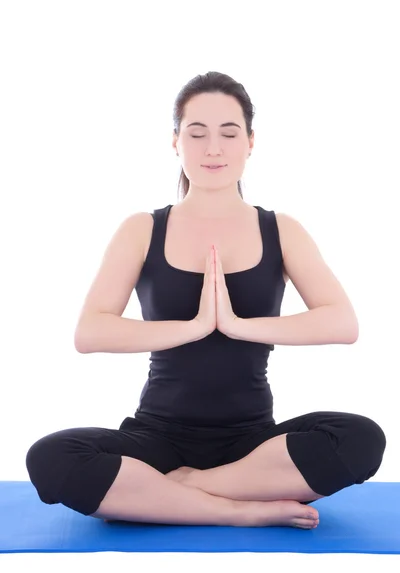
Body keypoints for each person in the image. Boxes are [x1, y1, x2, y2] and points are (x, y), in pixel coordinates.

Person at [25, 71, 386, 529]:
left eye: (229, 133)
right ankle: (242, 511)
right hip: (156, 438)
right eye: (197, 133)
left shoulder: (281, 229)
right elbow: (90, 331)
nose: (213, 148)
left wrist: (237, 324)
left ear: (251, 142)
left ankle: (181, 491)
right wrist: (194, 327)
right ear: (175, 141)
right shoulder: (142, 228)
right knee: (50, 458)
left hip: (252, 446)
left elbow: (342, 323)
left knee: (361, 439)